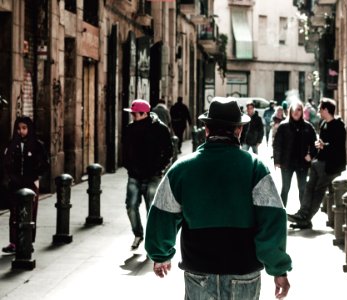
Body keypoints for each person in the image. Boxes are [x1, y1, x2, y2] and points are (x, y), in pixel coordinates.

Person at [145, 97, 292, 300]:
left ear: (206, 130)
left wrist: (160, 254)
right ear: (238, 130)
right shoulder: (256, 168)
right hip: (243, 270)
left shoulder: (181, 169)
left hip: (199, 270)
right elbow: (273, 219)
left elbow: (163, 214)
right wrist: (279, 269)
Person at [287, 98, 346, 229]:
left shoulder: (339, 126)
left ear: (325, 110)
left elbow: (338, 147)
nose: (318, 111)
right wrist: (318, 149)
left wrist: (324, 146)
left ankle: (305, 219)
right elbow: (322, 144)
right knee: (309, 187)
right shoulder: (323, 124)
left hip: (332, 166)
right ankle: (302, 214)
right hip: (320, 162)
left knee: (318, 191)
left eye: (320, 109)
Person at [122, 99, 173, 250]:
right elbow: (124, 152)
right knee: (131, 206)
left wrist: (160, 168)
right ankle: (138, 234)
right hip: (134, 176)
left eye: (135, 114)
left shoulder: (160, 129)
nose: (133, 117)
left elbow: (169, 151)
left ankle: (152, 239)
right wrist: (129, 166)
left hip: (153, 176)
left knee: (151, 208)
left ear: (144, 114)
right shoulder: (130, 129)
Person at [2, 116, 49, 254]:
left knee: (30, 213)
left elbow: (45, 164)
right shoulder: (12, 145)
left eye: (24, 128)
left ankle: (28, 241)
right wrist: (11, 179)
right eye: (18, 128)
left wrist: (35, 176)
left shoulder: (37, 145)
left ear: (29, 128)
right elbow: (6, 163)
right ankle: (14, 242)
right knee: (14, 214)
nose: (21, 131)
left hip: (30, 184)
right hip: (15, 185)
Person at [273, 100, 317, 208]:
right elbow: (277, 144)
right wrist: (277, 160)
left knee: (302, 189)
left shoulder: (308, 127)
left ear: (302, 111)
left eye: (299, 109)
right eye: (294, 110)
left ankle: (303, 215)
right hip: (287, 163)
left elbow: (315, 144)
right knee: (285, 188)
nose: (296, 112)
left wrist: (311, 155)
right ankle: (281, 214)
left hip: (302, 163)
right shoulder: (283, 126)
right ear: (290, 111)